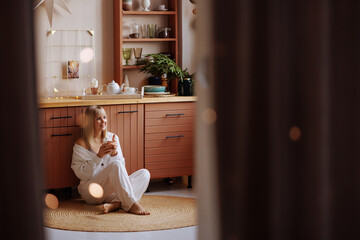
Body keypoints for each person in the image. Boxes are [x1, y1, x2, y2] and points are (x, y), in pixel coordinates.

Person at [71, 105, 150, 215]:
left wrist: (114, 154)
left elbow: (121, 170)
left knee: (145, 174)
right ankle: (131, 204)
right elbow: (82, 175)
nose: (103, 121)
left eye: (104, 117)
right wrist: (98, 156)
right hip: (92, 191)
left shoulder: (112, 137)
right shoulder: (82, 143)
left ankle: (116, 204)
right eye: (98, 118)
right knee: (116, 165)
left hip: (112, 191)